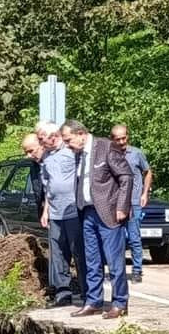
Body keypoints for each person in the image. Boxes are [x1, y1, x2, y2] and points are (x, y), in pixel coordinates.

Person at [61, 119, 133, 319]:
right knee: (91, 260)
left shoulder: (106, 147)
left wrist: (122, 207)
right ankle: (93, 301)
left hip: (109, 213)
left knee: (114, 261)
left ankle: (120, 303)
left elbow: (126, 177)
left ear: (81, 134)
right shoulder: (78, 154)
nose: (67, 145)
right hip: (87, 213)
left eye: (68, 140)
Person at [26, 126, 84, 307]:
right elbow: (48, 188)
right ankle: (62, 293)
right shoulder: (46, 160)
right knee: (58, 254)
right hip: (55, 213)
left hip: (73, 211)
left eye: (40, 140)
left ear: (51, 136)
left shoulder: (71, 151)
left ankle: (87, 292)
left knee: (78, 252)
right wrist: (46, 211)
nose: (29, 155)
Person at [111, 124, 153, 282]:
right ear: (112, 139)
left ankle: (137, 270)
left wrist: (145, 193)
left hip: (134, 202)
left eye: (124, 138)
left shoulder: (136, 153)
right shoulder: (110, 155)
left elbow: (148, 172)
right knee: (116, 239)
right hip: (115, 203)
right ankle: (118, 271)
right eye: (118, 139)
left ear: (128, 136)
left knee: (134, 237)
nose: (122, 142)